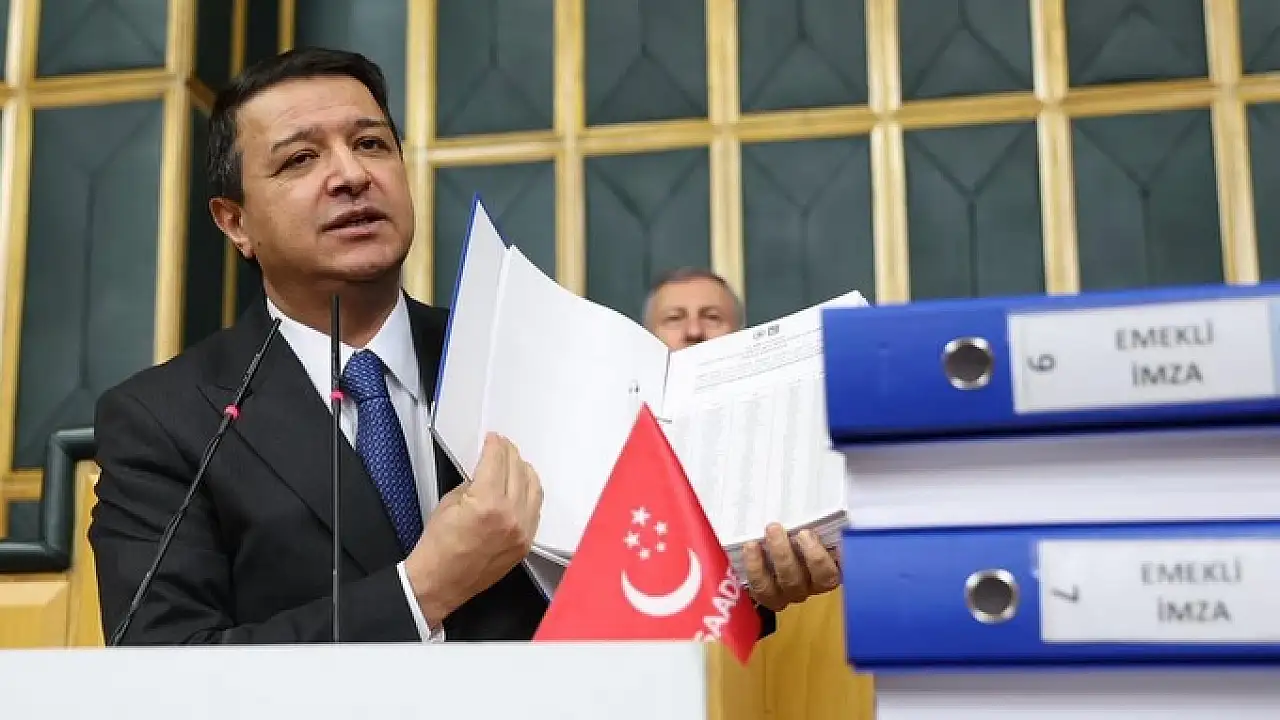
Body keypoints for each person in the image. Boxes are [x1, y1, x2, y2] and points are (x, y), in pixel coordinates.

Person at [87, 48, 779, 645]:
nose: (351, 175)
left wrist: (750, 582)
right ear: (235, 222)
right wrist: (419, 591)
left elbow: (637, 582)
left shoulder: (529, 354)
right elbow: (165, 665)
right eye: (301, 158)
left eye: (371, 144)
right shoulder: (164, 420)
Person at [642, 268, 843, 613]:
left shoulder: (792, 432)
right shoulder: (614, 440)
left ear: (741, 335)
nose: (694, 332)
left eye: (712, 317)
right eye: (674, 318)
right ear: (646, 338)